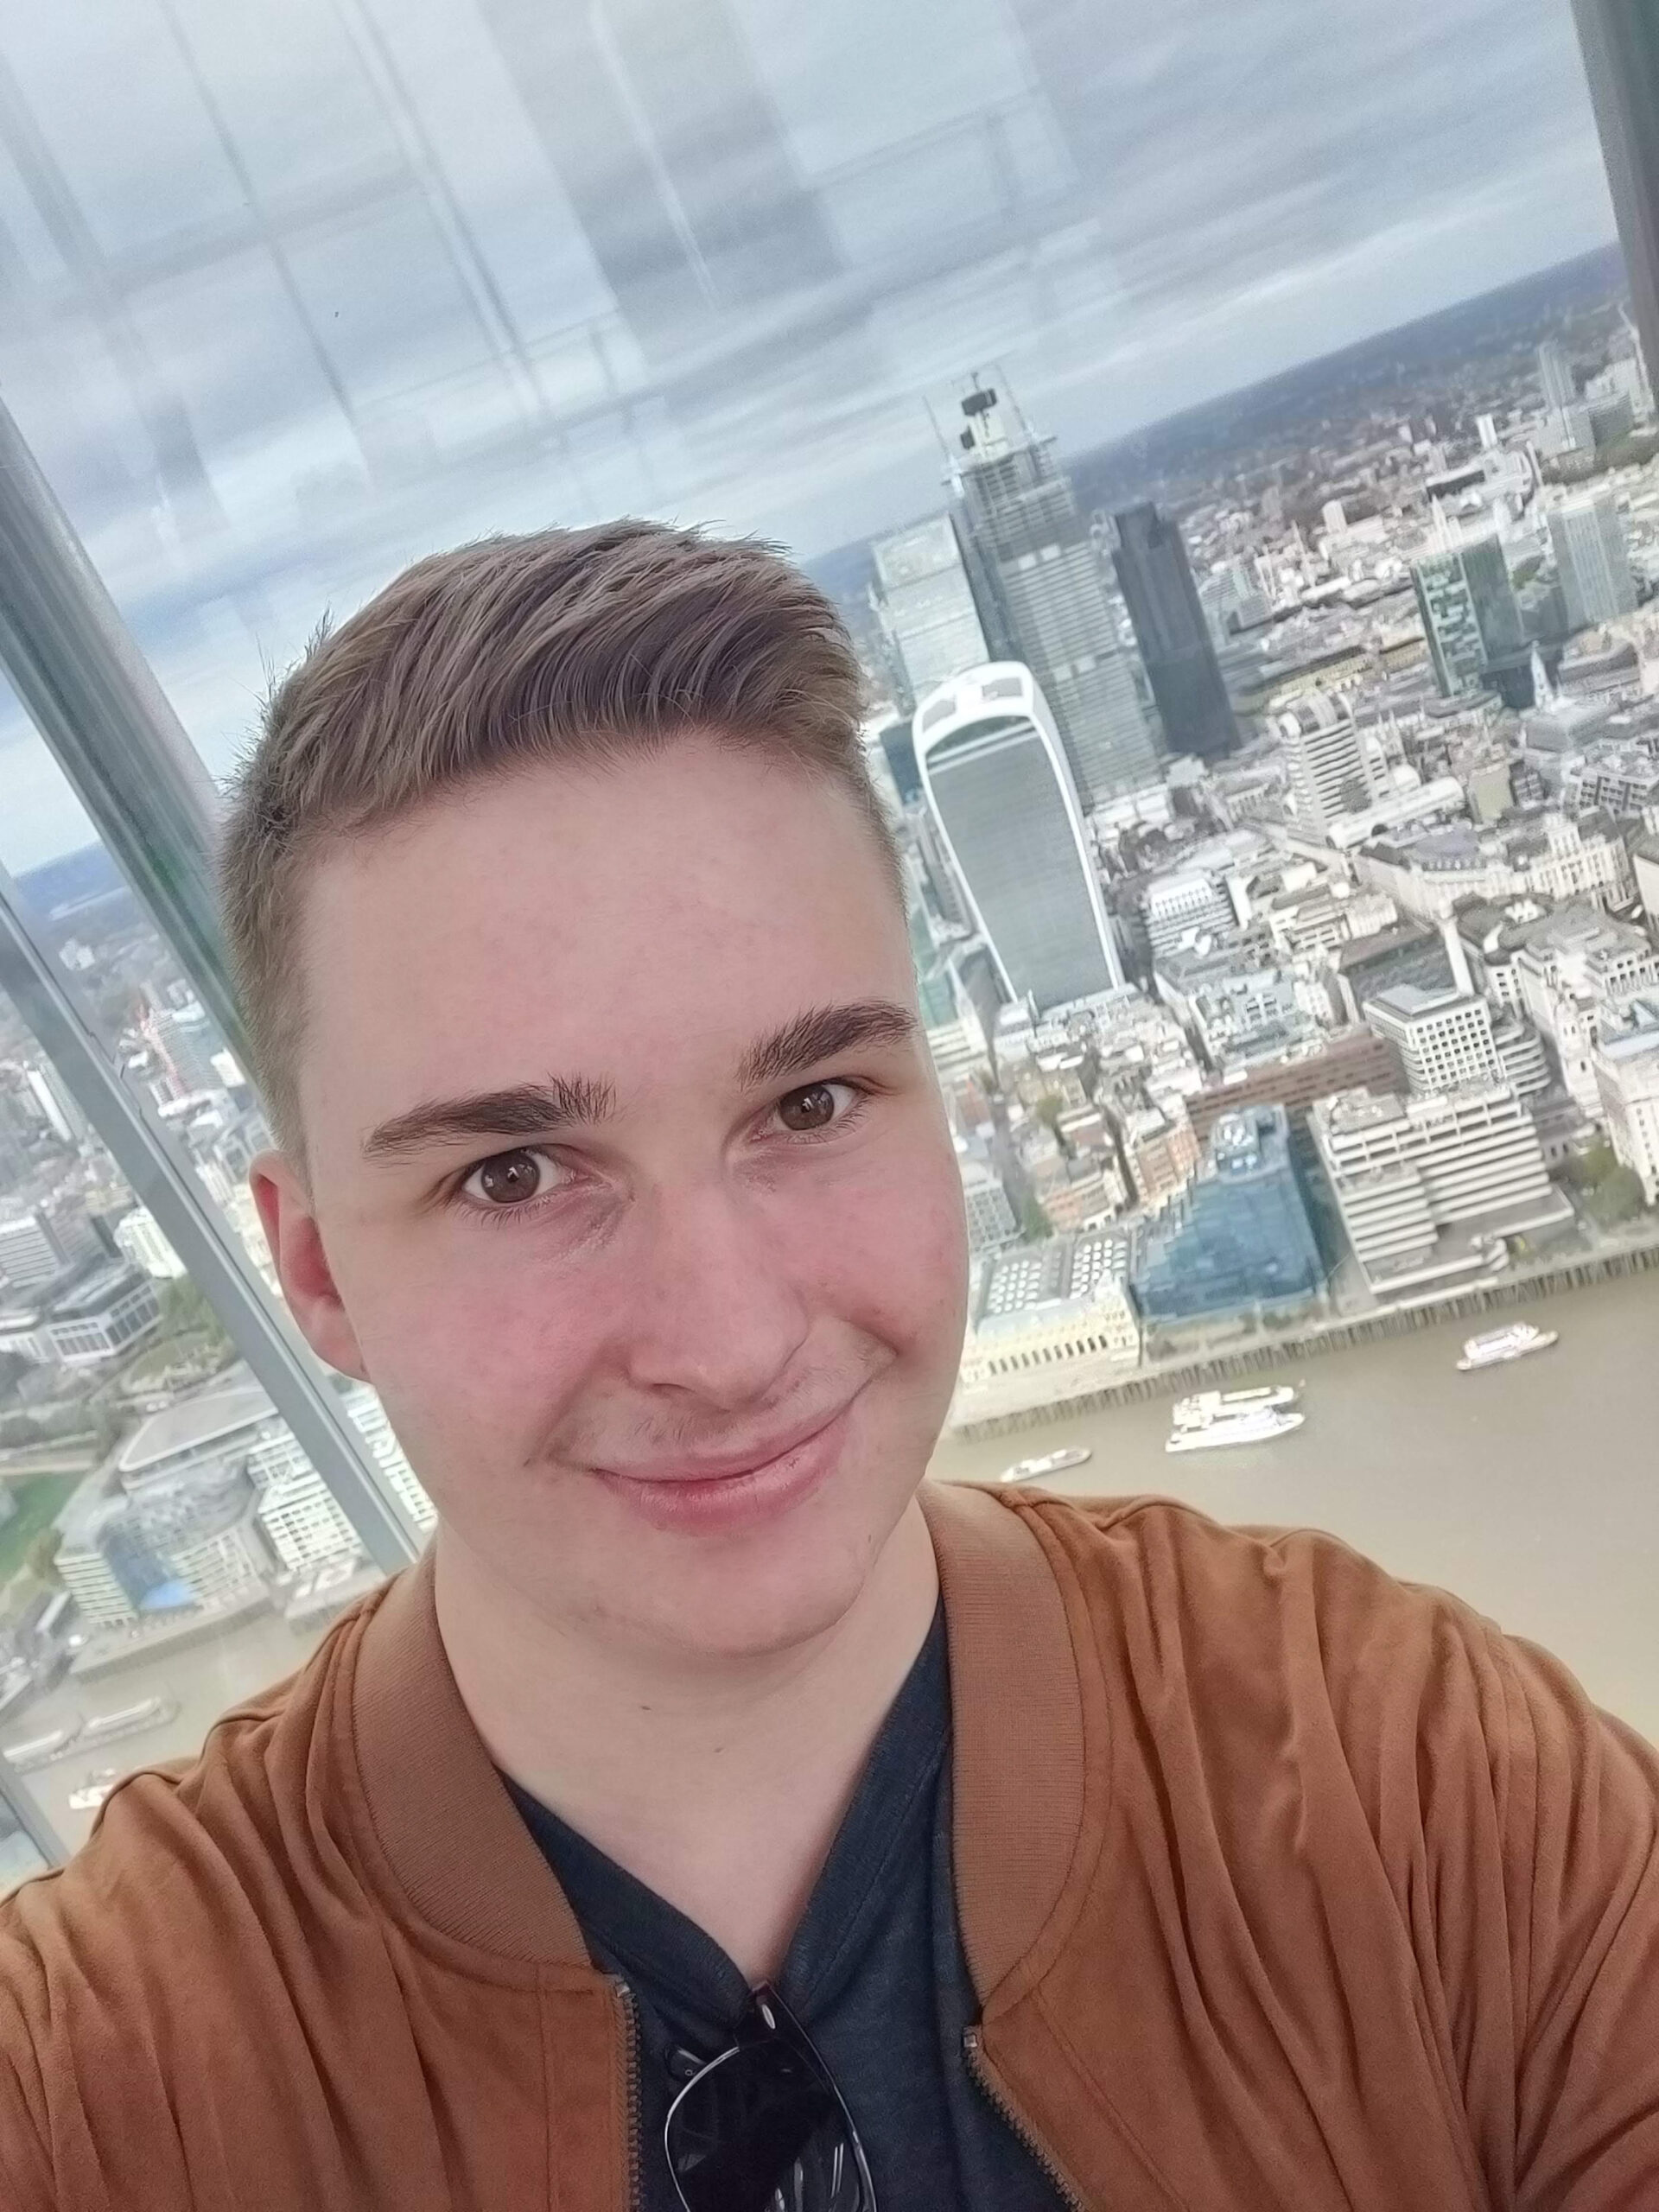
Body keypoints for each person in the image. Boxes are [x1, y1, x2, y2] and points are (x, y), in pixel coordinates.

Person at [1, 521, 1656, 2212]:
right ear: (314, 1271)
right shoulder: (96, 2087)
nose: (727, 1344)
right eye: (513, 1173)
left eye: (811, 1103)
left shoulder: (1416, 1784)